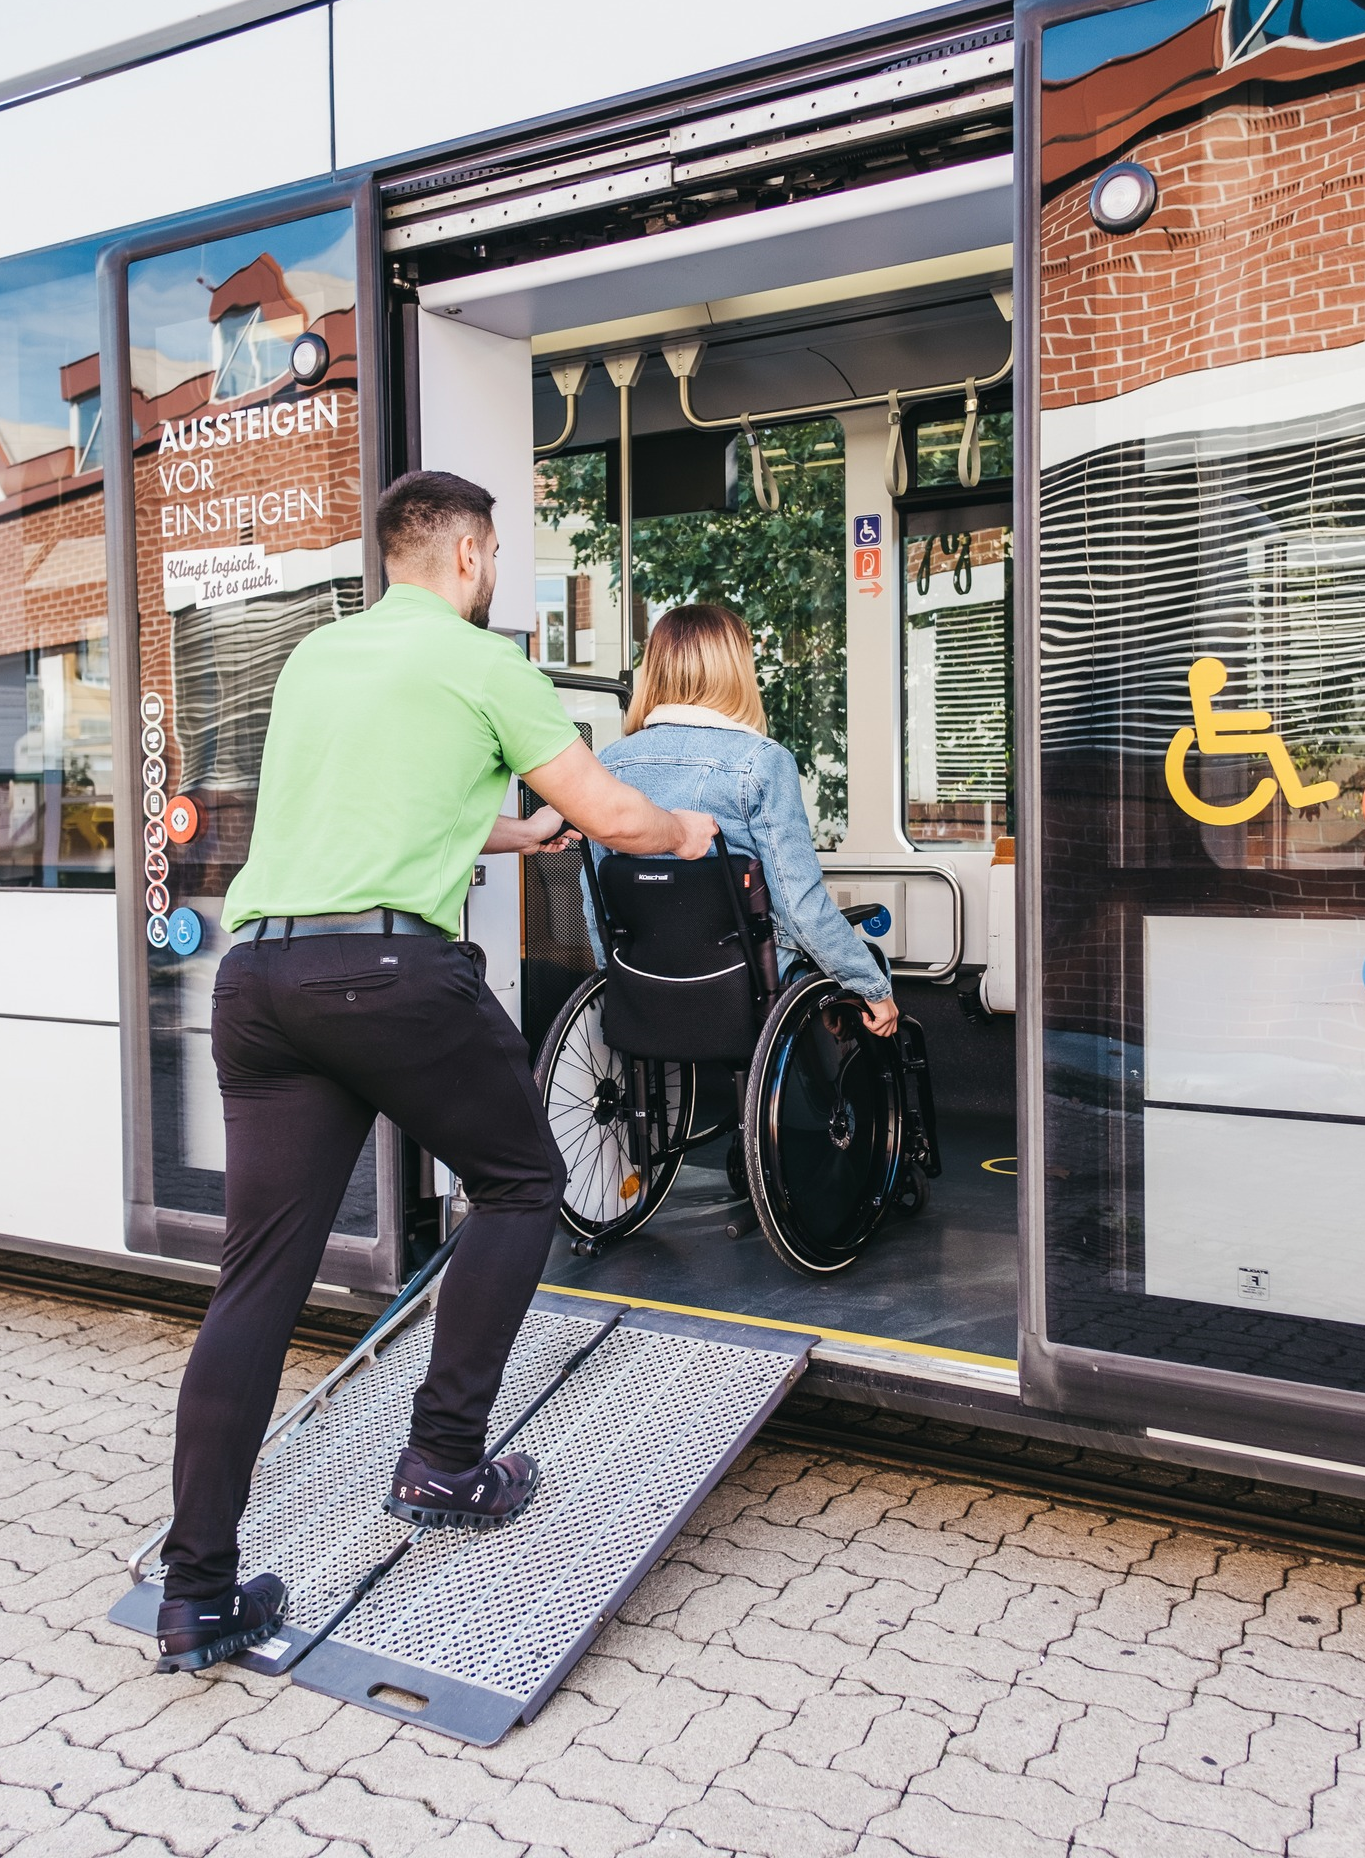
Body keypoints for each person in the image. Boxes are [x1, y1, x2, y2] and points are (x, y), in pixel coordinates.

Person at [153, 470, 716, 1674]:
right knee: (522, 1181)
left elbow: (366, 814)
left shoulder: (317, 657)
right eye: (496, 554)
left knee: (256, 1280)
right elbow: (616, 812)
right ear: (467, 557)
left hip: (260, 982)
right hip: (389, 980)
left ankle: (197, 1591)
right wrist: (684, 832)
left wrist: (509, 831)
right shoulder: (483, 660)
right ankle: (445, 1459)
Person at [592, 603, 897, 1035]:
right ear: (736, 670)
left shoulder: (607, 766)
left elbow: (598, 904)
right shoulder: (760, 762)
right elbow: (800, 907)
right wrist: (872, 984)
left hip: (645, 981)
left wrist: (617, 975)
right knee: (870, 966)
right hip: (745, 986)